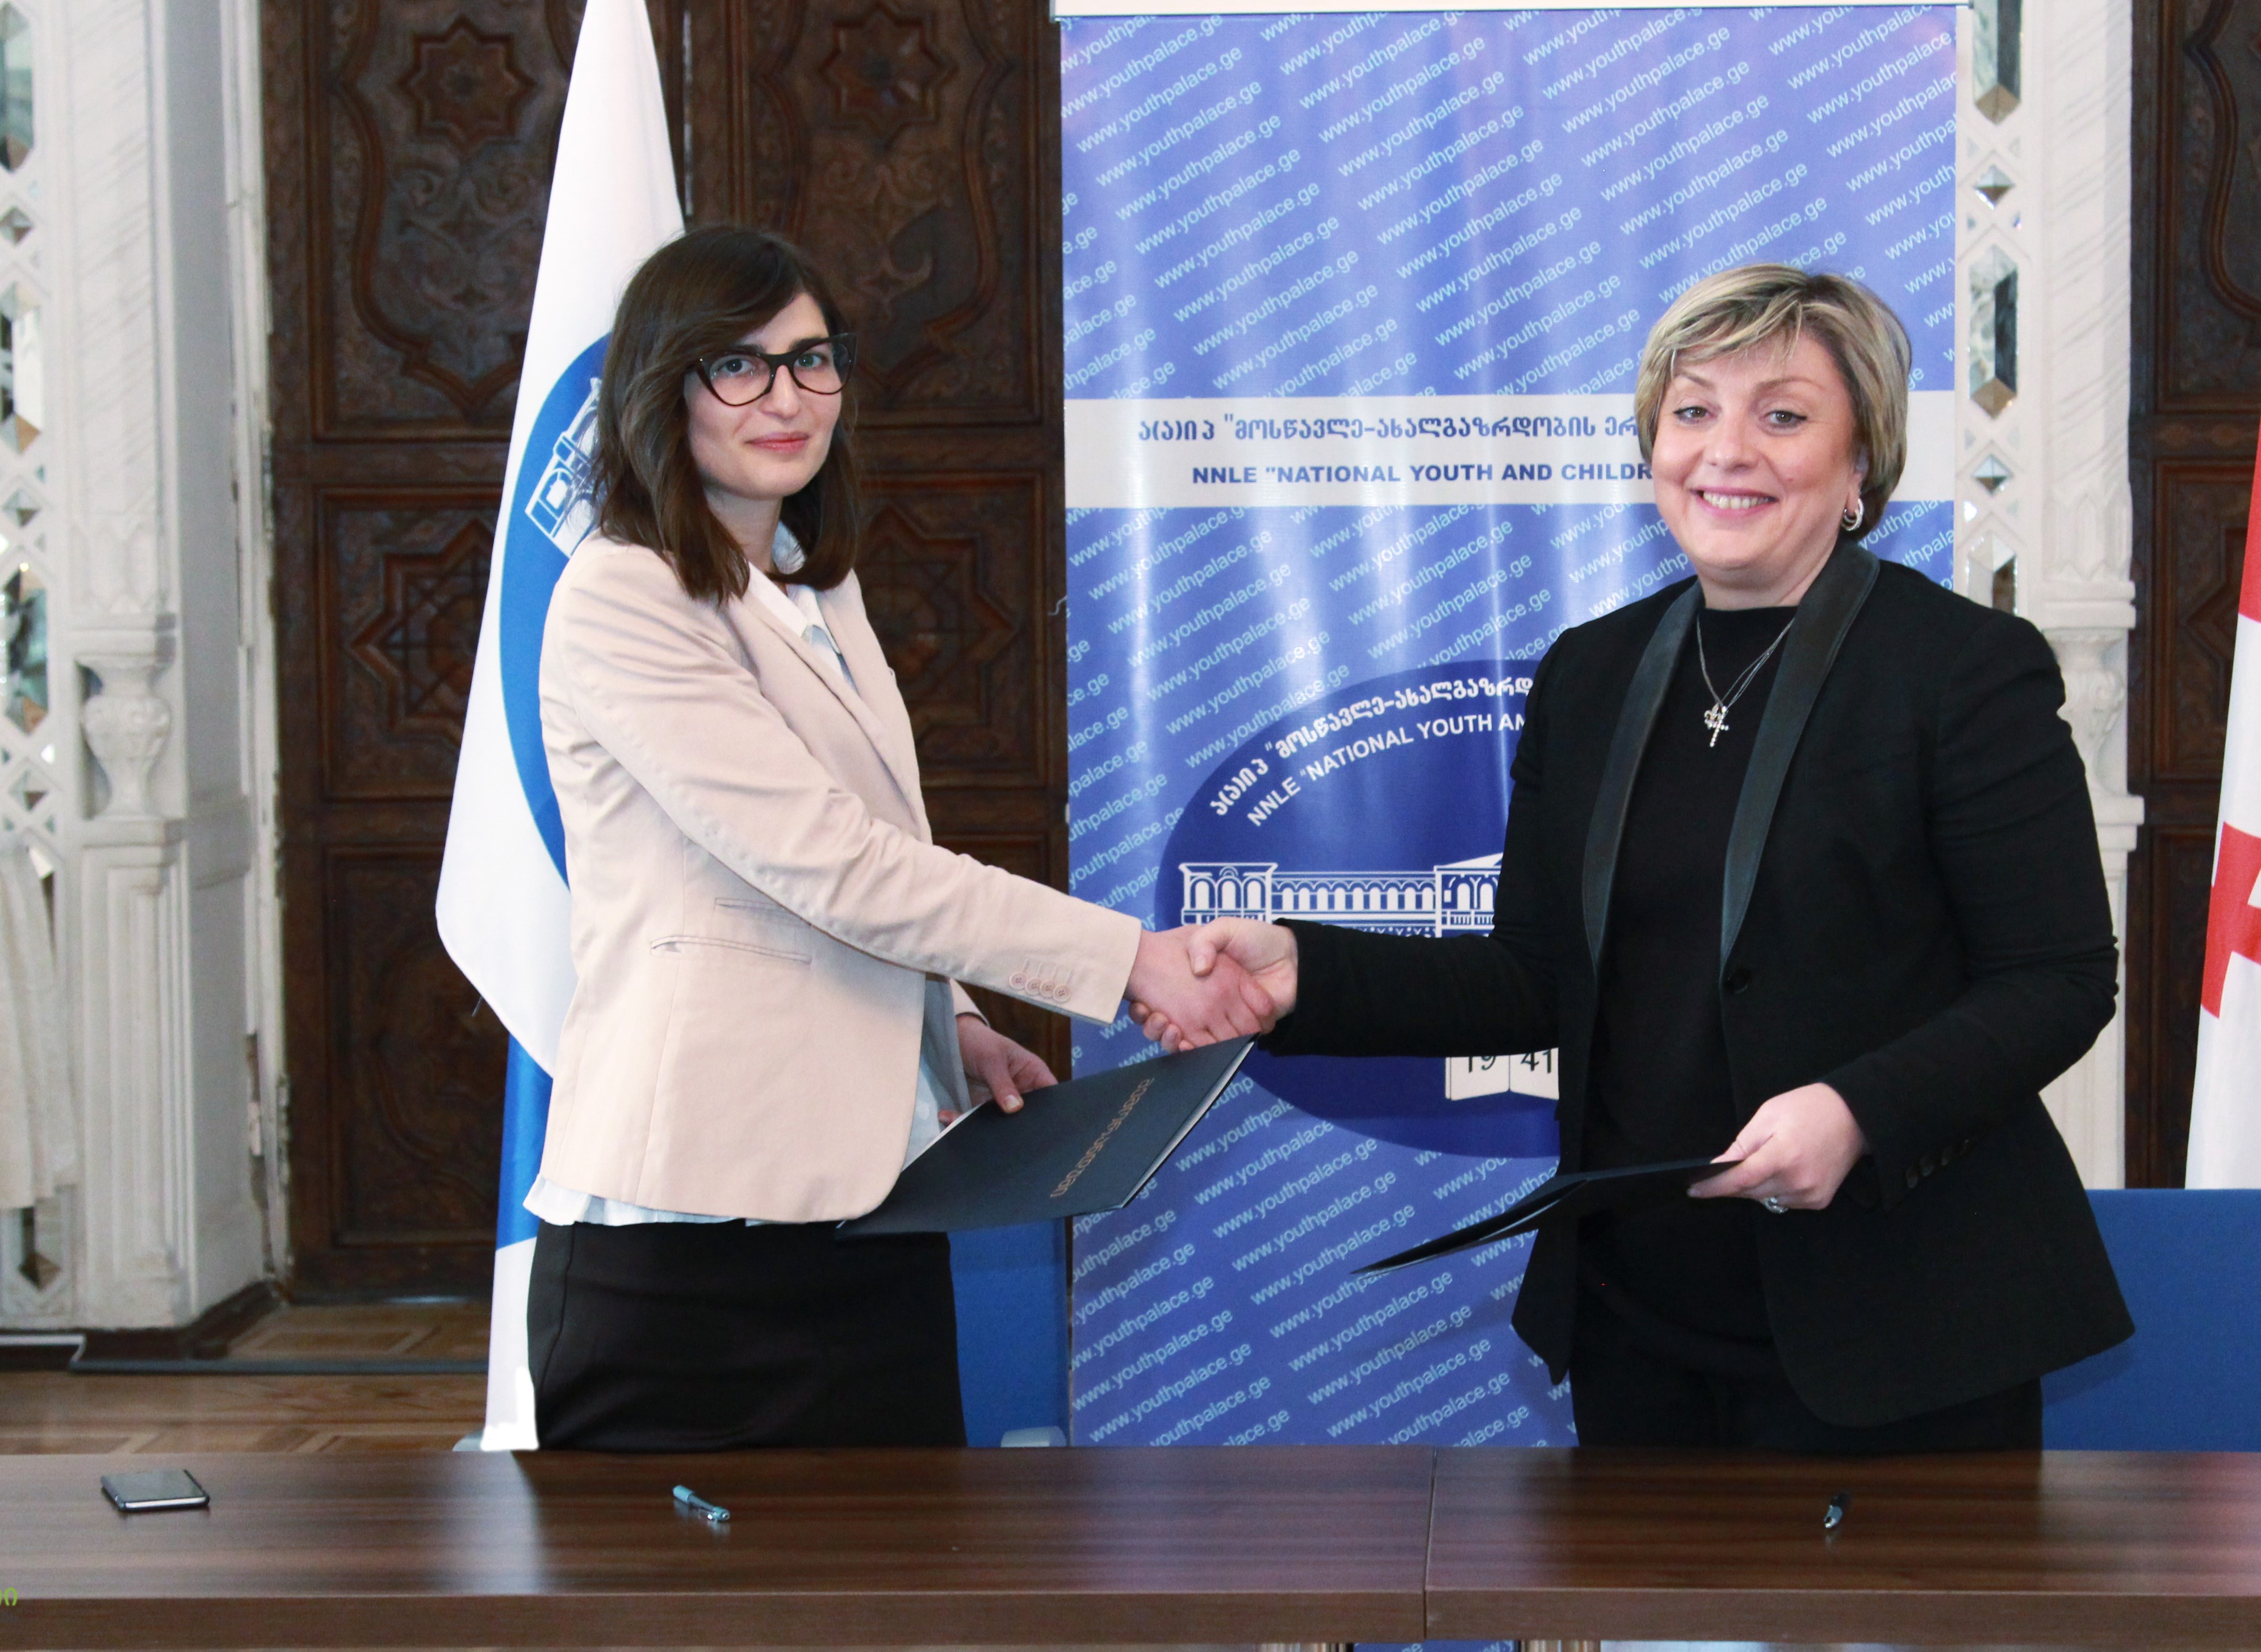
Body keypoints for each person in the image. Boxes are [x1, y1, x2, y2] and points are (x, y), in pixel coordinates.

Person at [1143, 265, 2132, 1452]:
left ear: (1861, 461)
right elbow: (1529, 978)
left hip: (1900, 1332)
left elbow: (2056, 978)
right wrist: (1302, 971)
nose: (1726, 449)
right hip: (1637, 1331)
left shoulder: (1962, 669)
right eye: (1691, 409)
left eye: (1781, 415)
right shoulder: (1590, 671)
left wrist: (1856, 1111)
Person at [524, 225, 1267, 1452]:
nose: (786, 397)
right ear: (663, 389)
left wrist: (949, 1023)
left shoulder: (815, 591)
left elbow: (863, 854)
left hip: (865, 1204)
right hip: (688, 1242)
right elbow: (833, 864)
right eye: (738, 365)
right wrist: (1129, 958)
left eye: (812, 358)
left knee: (900, 1568)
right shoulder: (624, 594)